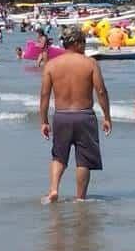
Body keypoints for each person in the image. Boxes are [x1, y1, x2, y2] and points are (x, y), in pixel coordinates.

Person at [39, 27, 111, 203]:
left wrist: (44, 121)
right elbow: (100, 91)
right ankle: (80, 198)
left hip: (61, 116)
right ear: (77, 43)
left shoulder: (51, 65)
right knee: (84, 160)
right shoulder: (90, 63)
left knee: (58, 156)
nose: (85, 46)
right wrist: (107, 117)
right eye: (84, 42)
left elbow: (44, 95)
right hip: (84, 116)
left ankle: (54, 189)